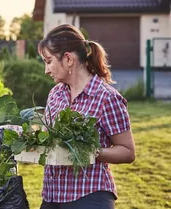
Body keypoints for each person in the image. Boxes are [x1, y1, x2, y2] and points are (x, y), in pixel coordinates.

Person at [37, 24, 136, 209]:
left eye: (48, 61)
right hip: (52, 195)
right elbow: (47, 139)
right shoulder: (55, 94)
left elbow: (128, 152)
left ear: (68, 59)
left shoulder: (107, 97)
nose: (46, 70)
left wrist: (88, 152)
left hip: (89, 196)